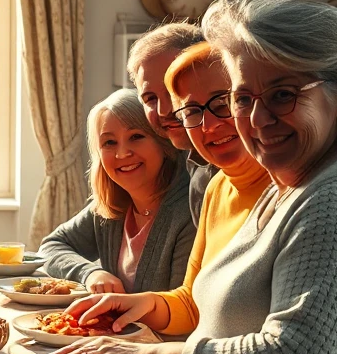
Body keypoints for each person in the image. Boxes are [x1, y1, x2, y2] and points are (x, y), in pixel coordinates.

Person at [49, 0, 337, 354]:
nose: (256, 119)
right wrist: (137, 309)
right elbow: (200, 300)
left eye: (282, 95)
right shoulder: (286, 178)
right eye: (242, 98)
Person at [64, 42, 271, 334]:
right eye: (192, 111)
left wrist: (148, 349)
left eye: (221, 103)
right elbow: (191, 302)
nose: (208, 125)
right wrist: (112, 291)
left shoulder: (288, 190)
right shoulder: (215, 188)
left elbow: (277, 343)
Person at [39, 88, 194, 294]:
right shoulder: (109, 210)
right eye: (109, 142)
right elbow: (51, 246)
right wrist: (90, 273)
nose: (122, 154)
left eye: (136, 136)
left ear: (163, 144)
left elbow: (182, 305)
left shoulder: (189, 213)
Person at [128, 23, 218, 225]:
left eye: (172, 91)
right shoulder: (173, 161)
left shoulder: (242, 162)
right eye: (150, 98)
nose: (164, 110)